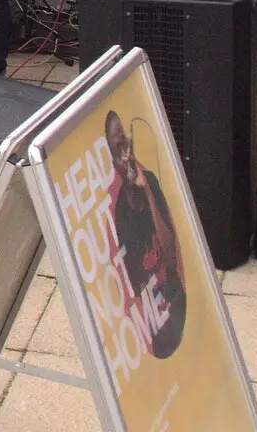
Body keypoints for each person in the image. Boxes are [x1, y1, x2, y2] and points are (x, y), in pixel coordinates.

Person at [105, 110, 187, 358]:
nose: (123, 152)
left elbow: (170, 246)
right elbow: (132, 279)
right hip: (153, 295)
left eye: (124, 142)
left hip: (171, 288)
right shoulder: (120, 209)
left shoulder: (148, 180)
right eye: (116, 145)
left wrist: (147, 190)